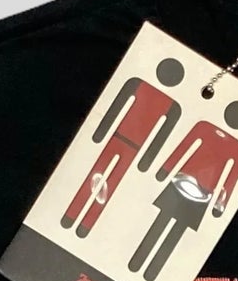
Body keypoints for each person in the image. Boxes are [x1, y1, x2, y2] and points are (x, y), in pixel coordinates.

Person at [61, 56, 185, 238]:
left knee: (102, 179)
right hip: (125, 143)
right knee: (101, 178)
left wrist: (102, 134)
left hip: (125, 143)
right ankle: (76, 220)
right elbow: (118, 108)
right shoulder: (157, 97)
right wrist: (101, 133)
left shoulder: (151, 93)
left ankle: (79, 222)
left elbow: (160, 134)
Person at [131, 100, 238, 281]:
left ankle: (147, 271)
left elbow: (230, 178)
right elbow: (230, 178)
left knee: (169, 226)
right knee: (168, 225)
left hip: (192, 189)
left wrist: (164, 171)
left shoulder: (222, 138)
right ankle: (143, 268)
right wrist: (219, 206)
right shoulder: (231, 144)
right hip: (193, 188)